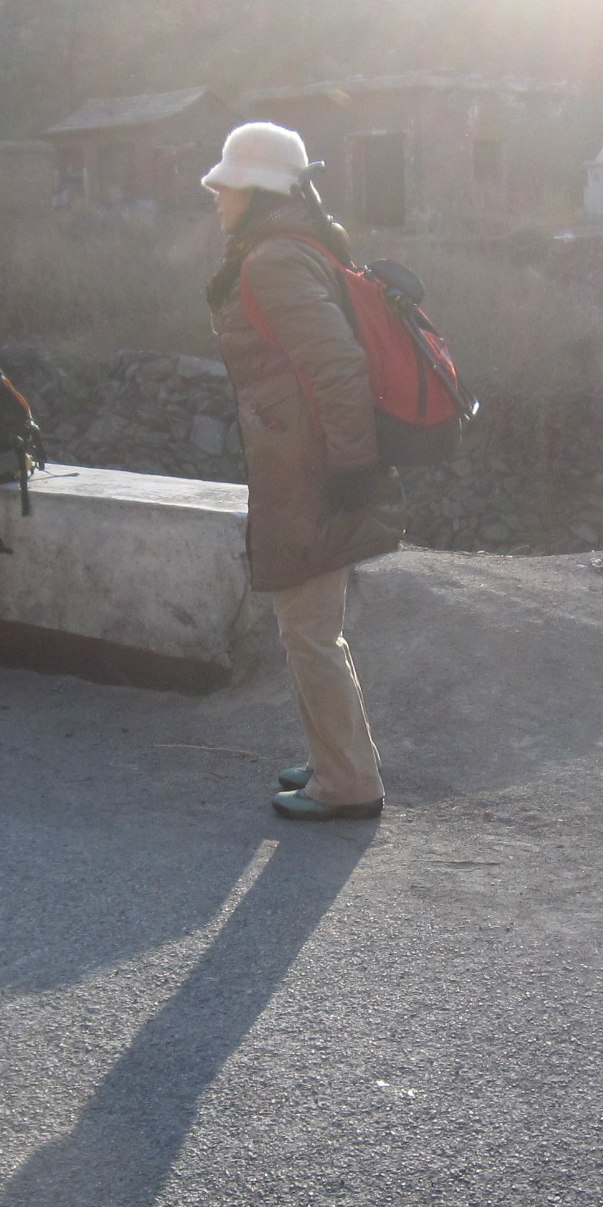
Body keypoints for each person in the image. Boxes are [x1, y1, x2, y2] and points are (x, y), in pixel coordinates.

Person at [203, 122, 403, 822]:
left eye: (226, 187)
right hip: (309, 458)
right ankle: (335, 761)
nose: (217, 198)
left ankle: (347, 782)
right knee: (309, 626)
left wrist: (352, 467)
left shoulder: (274, 261)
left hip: (313, 466)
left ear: (257, 193)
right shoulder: (301, 247)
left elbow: (339, 367)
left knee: (308, 630)